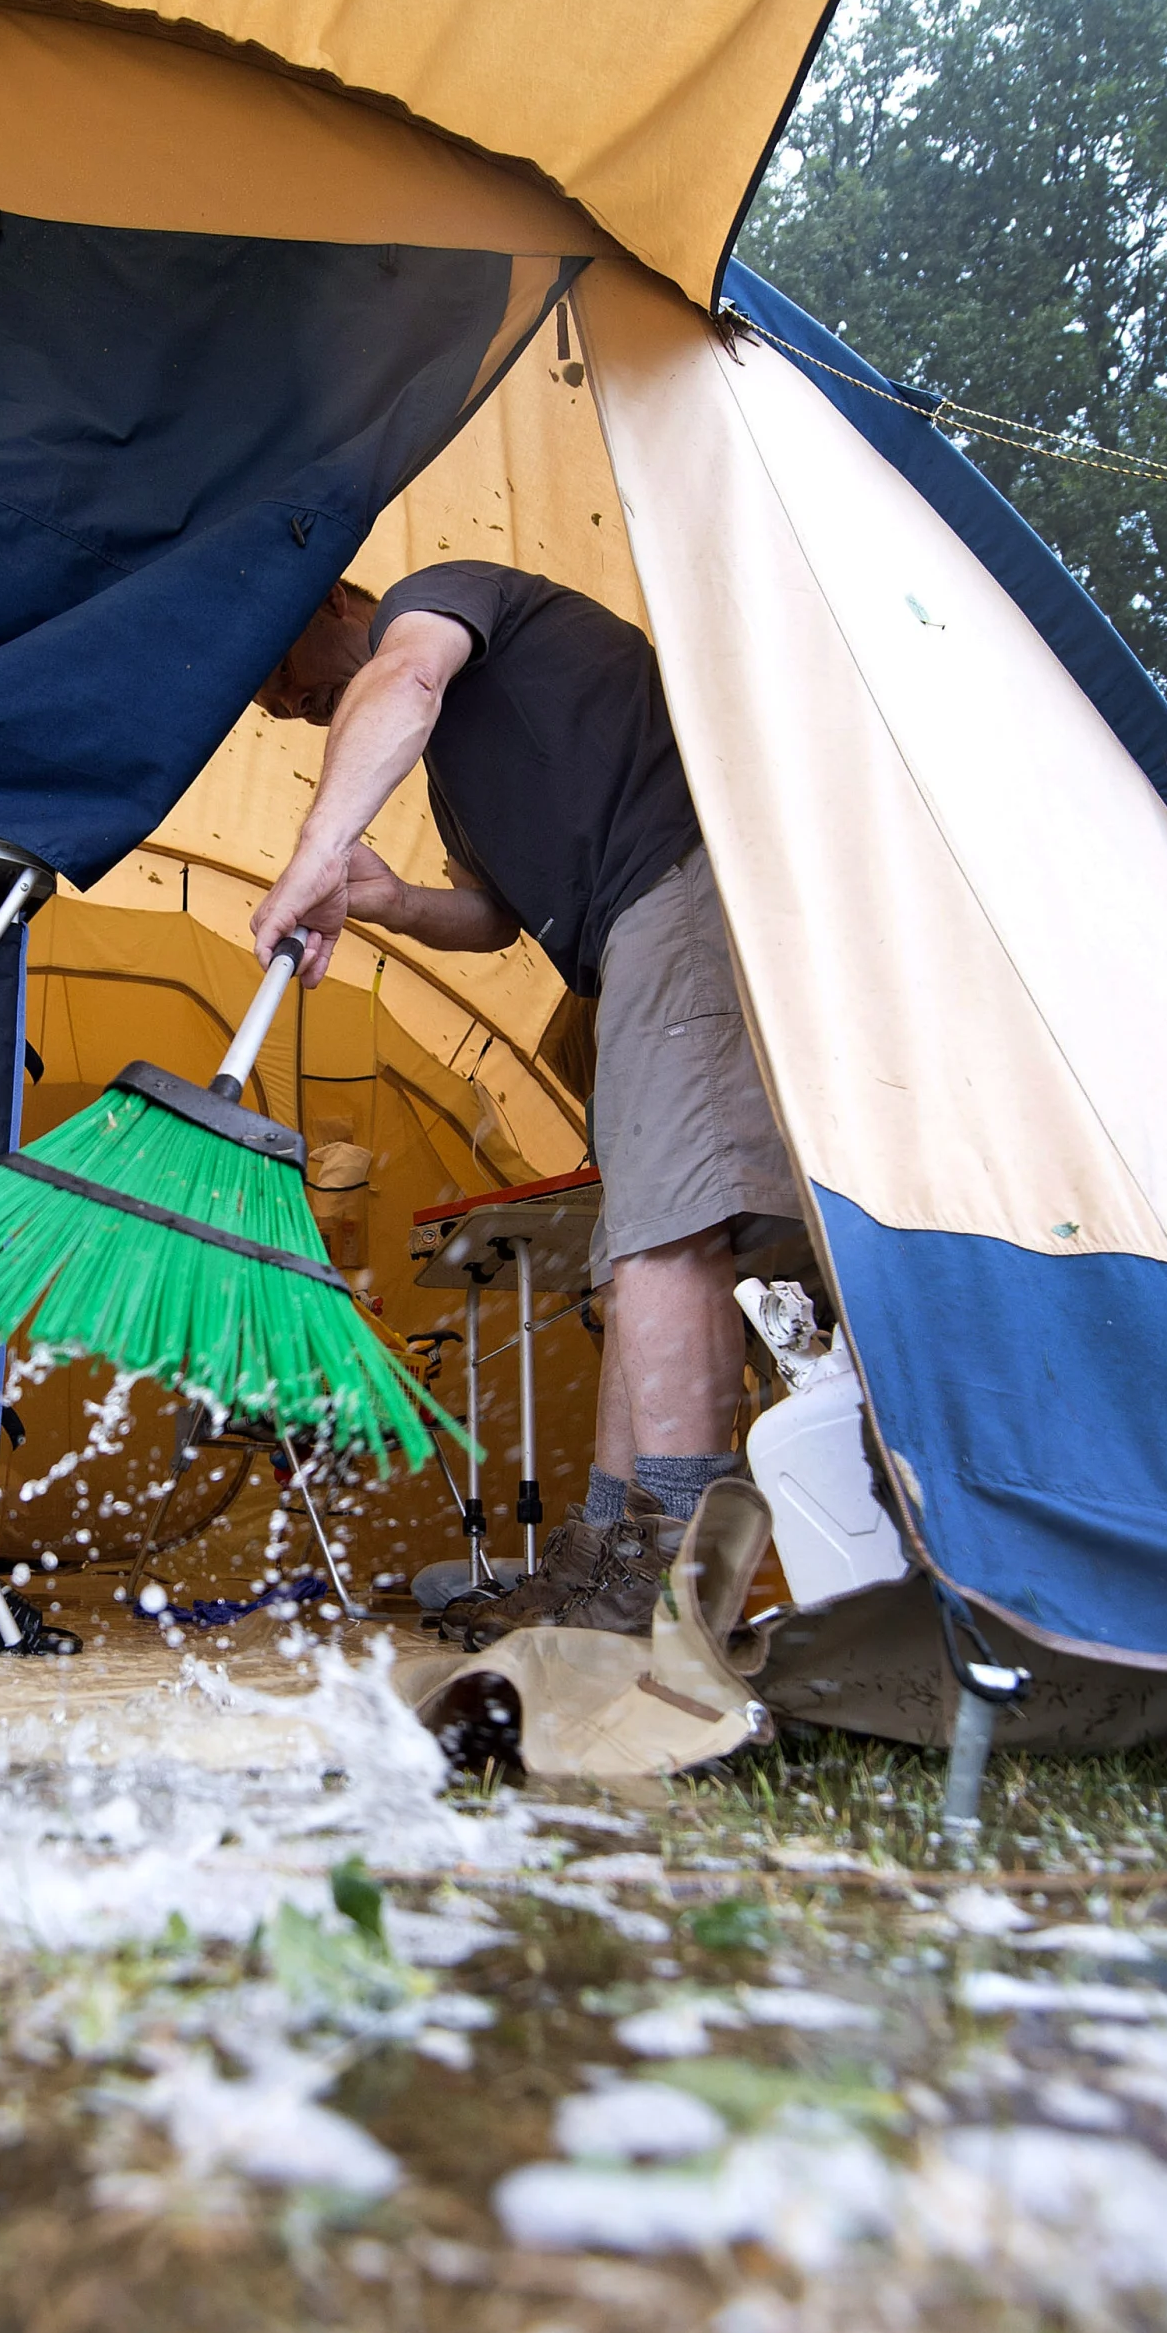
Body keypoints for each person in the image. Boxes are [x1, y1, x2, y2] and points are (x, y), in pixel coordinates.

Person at [249, 565, 806, 1644]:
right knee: (635, 1246)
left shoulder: (439, 604)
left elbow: (403, 678)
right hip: (622, 939)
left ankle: (677, 1575)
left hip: (678, 884)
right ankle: (601, 1561)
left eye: (281, 677)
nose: (282, 706)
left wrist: (313, 853)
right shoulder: (460, 767)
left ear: (331, 601)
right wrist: (391, 902)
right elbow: (494, 918)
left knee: (668, 1233)